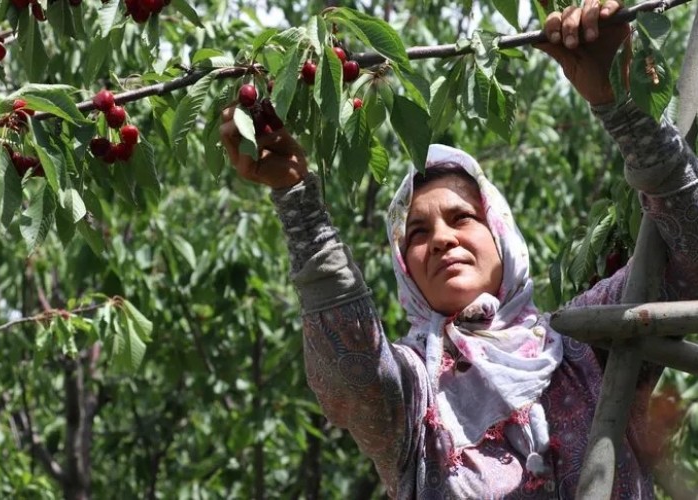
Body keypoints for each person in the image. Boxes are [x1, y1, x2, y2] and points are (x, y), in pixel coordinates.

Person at [219, 1, 698, 497]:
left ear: (502, 237)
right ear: (405, 270)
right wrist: (298, 200)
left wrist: (623, 109)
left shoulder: (583, 344)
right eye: (418, 234)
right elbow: (350, 372)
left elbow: (692, 248)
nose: (442, 239)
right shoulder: (411, 393)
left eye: (463, 218)